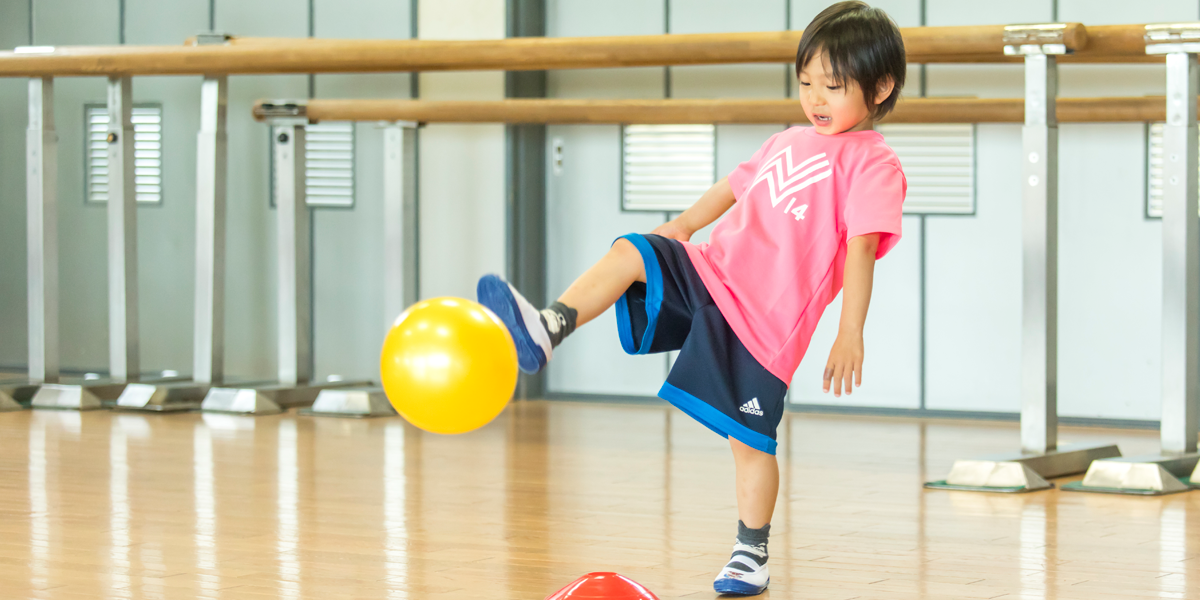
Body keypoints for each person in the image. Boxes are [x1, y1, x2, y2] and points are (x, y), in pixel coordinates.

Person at [478, 1, 907, 595]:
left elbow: (860, 249)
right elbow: (732, 187)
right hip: (713, 272)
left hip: (764, 323)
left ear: (880, 88)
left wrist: (850, 331)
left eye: (832, 87)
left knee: (748, 442)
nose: (815, 98)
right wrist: (680, 226)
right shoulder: (787, 140)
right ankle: (549, 326)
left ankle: (750, 552)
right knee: (633, 251)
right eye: (806, 82)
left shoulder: (874, 163)